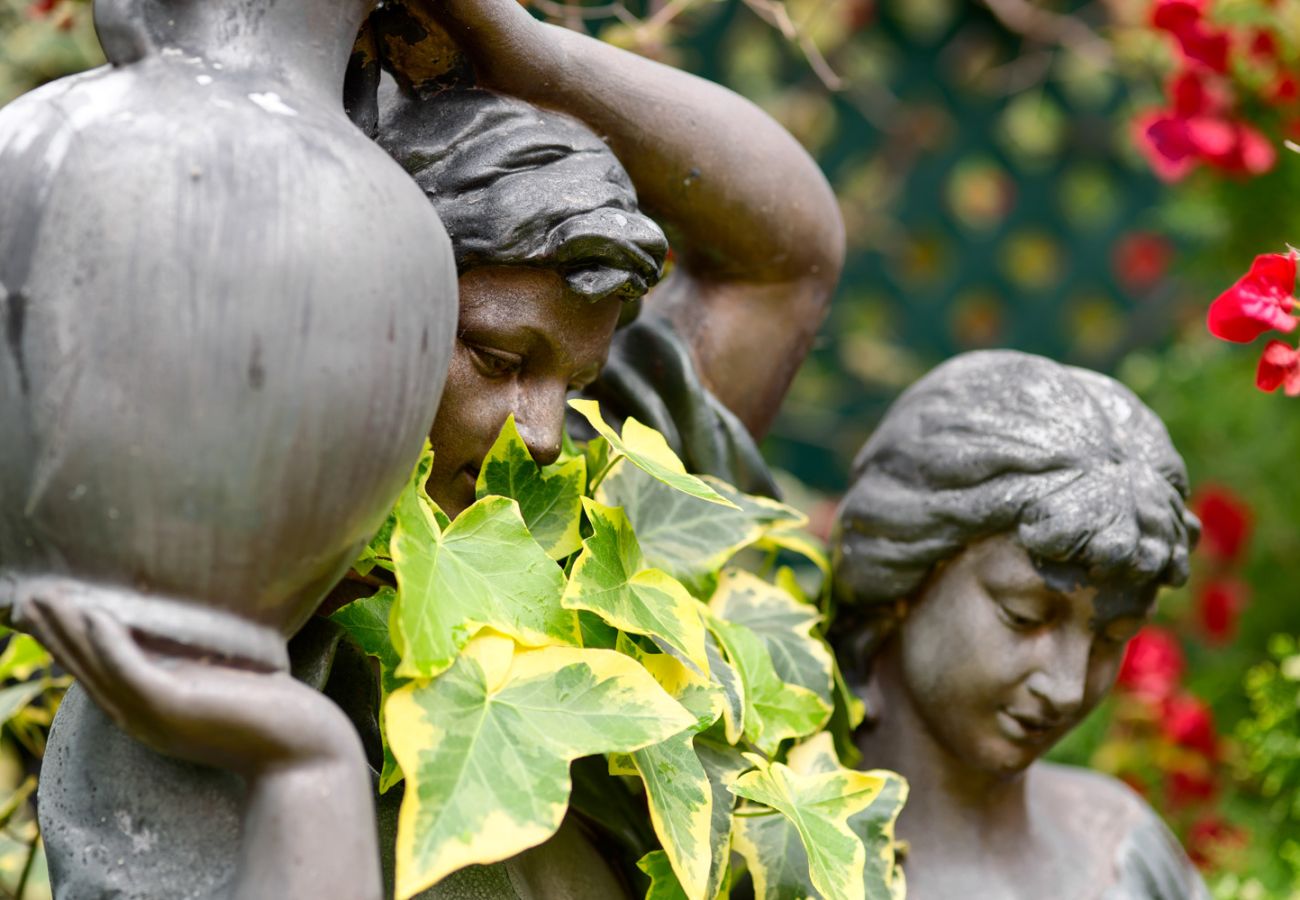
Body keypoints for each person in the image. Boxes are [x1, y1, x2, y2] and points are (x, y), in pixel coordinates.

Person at [29, 2, 844, 898]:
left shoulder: (585, 521)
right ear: (361, 315)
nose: (542, 435)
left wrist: (518, 48)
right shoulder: (183, 700)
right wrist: (308, 773)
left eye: (573, 385)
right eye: (498, 358)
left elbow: (786, 257)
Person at [830, 350, 1209, 900]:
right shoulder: (771, 852)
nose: (1067, 686)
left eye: (1111, 638)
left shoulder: (1126, 852)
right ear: (906, 575)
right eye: (1025, 617)